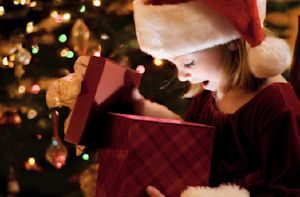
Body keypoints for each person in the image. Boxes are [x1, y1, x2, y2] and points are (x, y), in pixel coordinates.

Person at [131, 0, 300, 196]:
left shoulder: (276, 106)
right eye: (174, 64)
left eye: (189, 62)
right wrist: (141, 109)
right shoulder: (208, 95)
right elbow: (191, 146)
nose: (181, 76)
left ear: (231, 43)